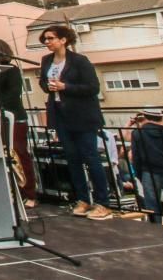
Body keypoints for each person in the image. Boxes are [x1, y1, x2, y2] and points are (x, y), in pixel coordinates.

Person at [38, 24, 113, 221]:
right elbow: (43, 83)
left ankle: (103, 202)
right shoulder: (46, 60)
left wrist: (65, 86)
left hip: (82, 115)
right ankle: (82, 199)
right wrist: (48, 86)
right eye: (45, 39)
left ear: (63, 40)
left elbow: (92, 87)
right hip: (60, 114)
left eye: (51, 38)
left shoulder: (79, 61)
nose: (47, 42)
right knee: (72, 158)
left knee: (90, 156)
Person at [0, 38, 38, 208]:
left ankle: (29, 193)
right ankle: (9, 191)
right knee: (0, 154)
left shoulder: (11, 70)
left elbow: (13, 94)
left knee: (19, 154)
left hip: (13, 118)